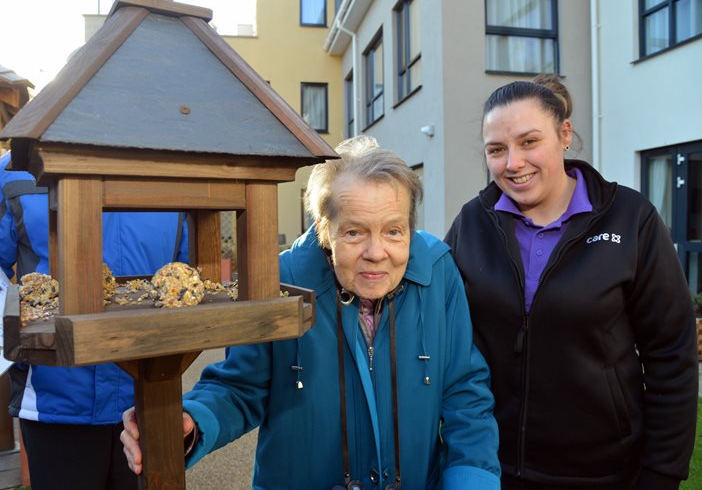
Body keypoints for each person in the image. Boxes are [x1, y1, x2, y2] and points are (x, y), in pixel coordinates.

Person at [121, 135, 501, 489]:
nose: (376, 252)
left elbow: (464, 393)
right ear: (324, 228)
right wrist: (191, 421)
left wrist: (472, 482)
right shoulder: (280, 280)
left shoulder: (437, 271)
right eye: (353, 232)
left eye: (393, 231)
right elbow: (240, 387)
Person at [444, 75, 698, 489]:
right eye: (497, 150)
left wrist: (662, 473)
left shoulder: (630, 218)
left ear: (565, 134)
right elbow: (439, 324)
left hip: (604, 472)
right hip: (492, 466)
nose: (512, 163)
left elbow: (672, 354)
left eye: (529, 142)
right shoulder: (472, 222)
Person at [0, 151, 189, 490]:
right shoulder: (17, 167)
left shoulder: (174, 166)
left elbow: (188, 277)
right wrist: (16, 349)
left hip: (152, 397)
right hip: (56, 401)